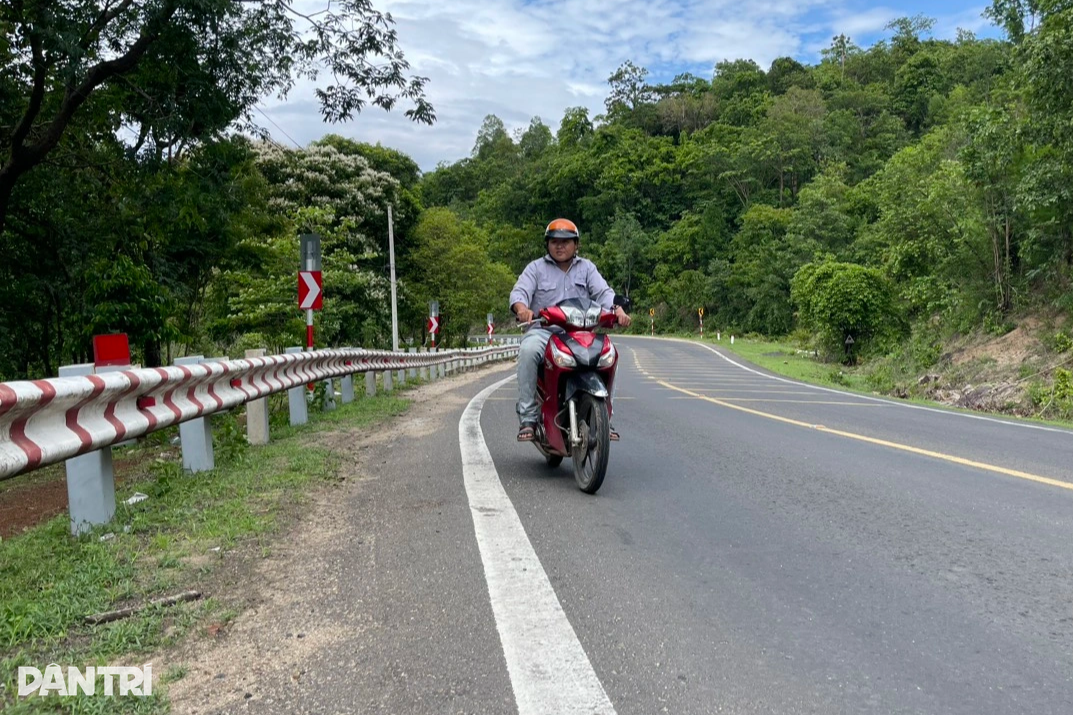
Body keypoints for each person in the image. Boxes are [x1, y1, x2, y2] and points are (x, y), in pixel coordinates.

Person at [509, 218, 631, 442]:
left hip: (581, 333)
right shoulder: (535, 268)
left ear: (576, 245)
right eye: (554, 241)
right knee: (527, 350)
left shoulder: (587, 268)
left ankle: (606, 417)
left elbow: (604, 293)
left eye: (566, 241)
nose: (560, 246)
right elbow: (519, 293)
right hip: (545, 332)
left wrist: (617, 310)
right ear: (547, 244)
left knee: (610, 354)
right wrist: (522, 309)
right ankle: (528, 417)